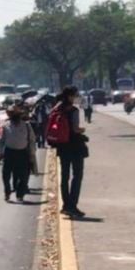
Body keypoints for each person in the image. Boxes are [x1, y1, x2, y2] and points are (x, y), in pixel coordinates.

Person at [51, 87, 88, 218]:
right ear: (70, 96)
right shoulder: (73, 110)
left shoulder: (57, 109)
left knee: (64, 177)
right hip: (75, 146)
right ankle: (72, 206)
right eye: (75, 95)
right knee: (77, 176)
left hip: (62, 146)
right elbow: (76, 129)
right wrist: (82, 130)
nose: (77, 97)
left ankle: (66, 205)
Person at [0, 106, 35, 202]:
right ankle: (7, 192)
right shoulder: (6, 125)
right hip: (9, 153)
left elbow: (31, 141)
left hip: (22, 153)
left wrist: (31, 154)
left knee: (23, 176)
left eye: (16, 115)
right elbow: (2, 141)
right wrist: (0, 153)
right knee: (6, 175)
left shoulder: (27, 126)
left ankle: (20, 195)